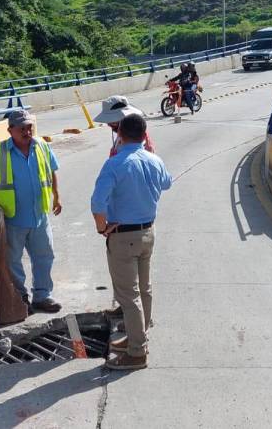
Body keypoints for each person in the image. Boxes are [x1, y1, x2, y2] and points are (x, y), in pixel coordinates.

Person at [90, 113, 172, 371]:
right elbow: (167, 183)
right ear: (144, 135)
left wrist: (102, 228)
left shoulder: (115, 164)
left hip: (123, 236)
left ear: (120, 135)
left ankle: (137, 352)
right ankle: (140, 337)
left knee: (129, 296)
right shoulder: (154, 159)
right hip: (148, 232)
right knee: (144, 290)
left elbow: (97, 203)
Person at [0, 110, 63, 314]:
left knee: (44, 256)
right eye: (21, 128)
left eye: (29, 127)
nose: (26, 131)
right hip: (13, 218)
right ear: (10, 130)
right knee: (13, 261)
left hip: (39, 216)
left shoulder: (42, 146)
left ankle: (42, 296)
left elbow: (51, 171)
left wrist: (57, 196)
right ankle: (20, 298)